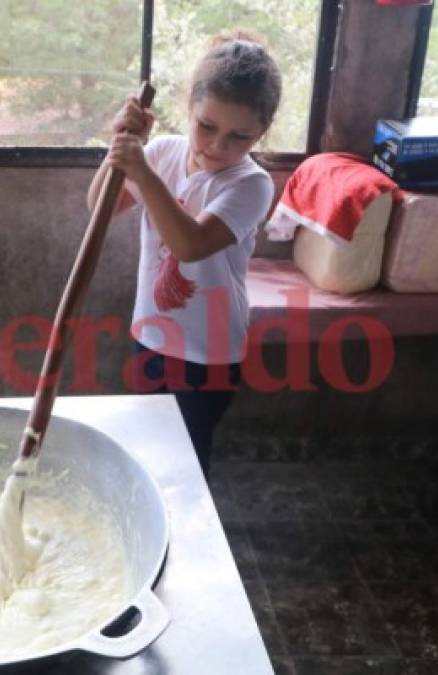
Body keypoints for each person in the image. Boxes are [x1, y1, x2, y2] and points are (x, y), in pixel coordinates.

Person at [87, 30, 282, 477]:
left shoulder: (250, 184)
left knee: (186, 463)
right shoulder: (163, 152)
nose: (217, 146)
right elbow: (101, 205)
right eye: (206, 126)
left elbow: (190, 245)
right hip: (151, 334)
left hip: (207, 351)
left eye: (239, 136)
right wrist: (120, 145)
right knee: (150, 450)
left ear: (261, 133)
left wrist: (141, 169)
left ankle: (188, 540)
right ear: (189, 108)